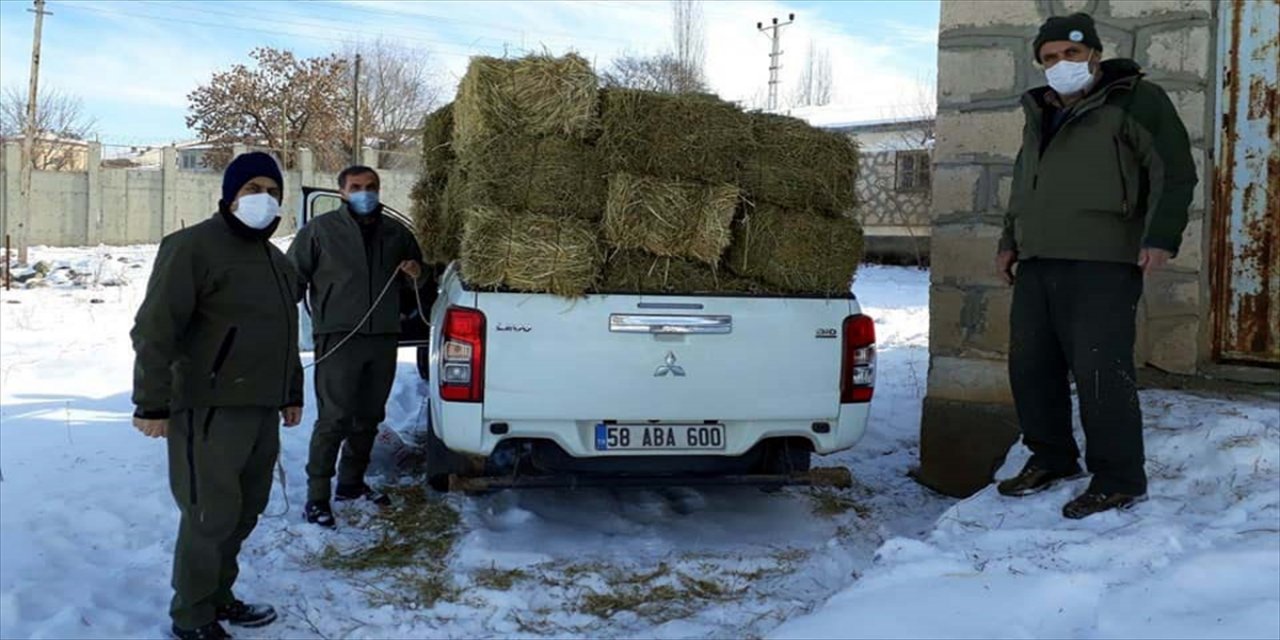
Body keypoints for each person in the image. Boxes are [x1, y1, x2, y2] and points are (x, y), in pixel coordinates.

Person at [994, 13, 1197, 519]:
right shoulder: (1040, 110)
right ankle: (1053, 458)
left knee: (1100, 370)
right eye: (1049, 57)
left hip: (1103, 257)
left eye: (1071, 53)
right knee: (1031, 366)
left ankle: (1120, 478)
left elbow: (1173, 171)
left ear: (1094, 55)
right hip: (1039, 256)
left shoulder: (1134, 99)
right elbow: (1025, 182)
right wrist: (1009, 240)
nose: (1060, 64)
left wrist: (1160, 237)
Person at [131, 152, 304, 640]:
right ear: (229, 195)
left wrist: (292, 393)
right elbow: (154, 329)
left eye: (272, 191)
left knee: (245, 511)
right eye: (252, 189)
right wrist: (152, 400)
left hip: (261, 409)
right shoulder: (191, 248)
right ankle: (191, 616)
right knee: (210, 516)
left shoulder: (276, 261)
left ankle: (218, 596)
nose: (263, 199)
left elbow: (286, 334)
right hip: (208, 409)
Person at [287, 165, 427, 527]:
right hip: (338, 337)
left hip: (382, 338)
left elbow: (424, 279)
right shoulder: (320, 231)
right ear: (343, 193)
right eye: (357, 187)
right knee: (333, 419)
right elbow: (292, 279)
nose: (366, 193)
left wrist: (418, 272)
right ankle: (317, 496)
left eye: (372, 186)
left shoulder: (397, 233)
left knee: (368, 417)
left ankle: (351, 483)